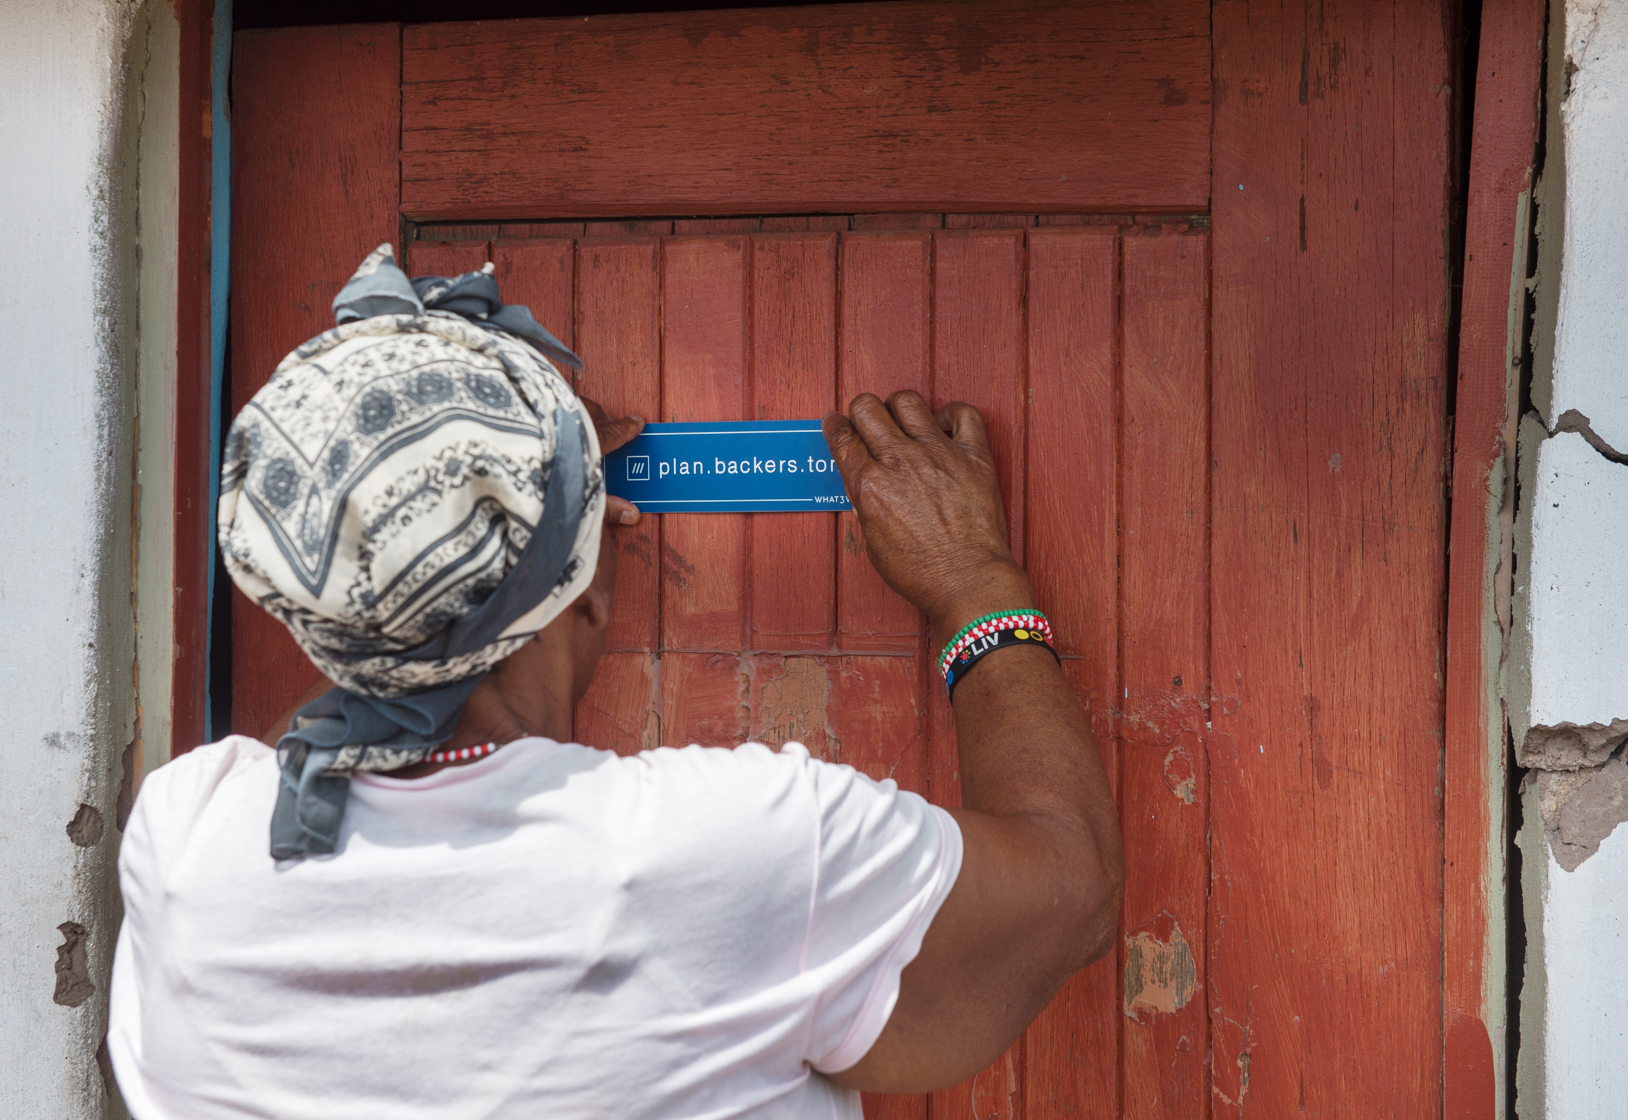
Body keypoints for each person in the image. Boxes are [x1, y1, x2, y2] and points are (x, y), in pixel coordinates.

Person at [107, 246, 1123, 1118]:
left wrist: (442, 507)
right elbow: (1067, 891)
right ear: (583, 590)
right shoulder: (728, 852)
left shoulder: (188, 842)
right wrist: (973, 586)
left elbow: (365, 662)